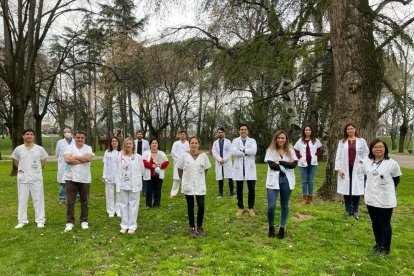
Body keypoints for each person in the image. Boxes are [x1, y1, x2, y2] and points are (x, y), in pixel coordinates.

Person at [359, 139, 402, 256]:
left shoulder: (392, 164)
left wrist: (386, 189)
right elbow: (365, 175)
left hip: (385, 198)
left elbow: (396, 179)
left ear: (385, 149)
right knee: (375, 222)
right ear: (371, 149)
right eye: (375, 147)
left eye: (380, 147)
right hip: (371, 198)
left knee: (385, 223)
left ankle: (385, 247)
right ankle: (378, 244)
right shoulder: (367, 162)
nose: (378, 149)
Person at [11, 129, 48, 229]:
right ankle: (22, 220)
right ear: (23, 136)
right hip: (23, 179)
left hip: (36, 179)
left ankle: (40, 220)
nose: (29, 136)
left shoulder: (39, 149)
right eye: (27, 134)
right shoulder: (18, 149)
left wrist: (37, 170)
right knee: (22, 200)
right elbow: (16, 161)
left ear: (34, 136)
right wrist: (23, 170)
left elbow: (44, 160)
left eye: (31, 134)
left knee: (38, 199)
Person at [265, 130, 298, 239]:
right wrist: (285, 165)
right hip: (273, 181)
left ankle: (282, 228)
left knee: (284, 205)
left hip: (286, 181)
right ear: (275, 139)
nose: (280, 140)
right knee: (271, 206)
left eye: (283, 138)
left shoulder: (291, 150)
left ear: (286, 139)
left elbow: (294, 165)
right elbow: (272, 165)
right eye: (278, 138)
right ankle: (271, 227)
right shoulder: (270, 150)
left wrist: (281, 163)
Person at [177, 136, 211, 237]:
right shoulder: (184, 155)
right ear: (189, 144)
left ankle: (200, 226)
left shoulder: (203, 156)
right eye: (192, 143)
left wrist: (201, 178)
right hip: (188, 185)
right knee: (190, 207)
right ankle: (192, 227)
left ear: (198, 145)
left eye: (196, 143)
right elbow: (179, 168)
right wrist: (184, 180)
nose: (194, 145)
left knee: (201, 206)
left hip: (200, 185)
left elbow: (206, 169)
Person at [335, 123, 369, 220]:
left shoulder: (361, 141)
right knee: (346, 190)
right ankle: (348, 210)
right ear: (346, 131)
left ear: (355, 129)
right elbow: (338, 156)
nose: (350, 130)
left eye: (351, 128)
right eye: (348, 129)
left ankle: (355, 211)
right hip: (345, 169)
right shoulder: (342, 142)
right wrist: (339, 169)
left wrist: (362, 162)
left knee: (356, 190)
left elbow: (366, 153)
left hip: (357, 169)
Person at [63, 130, 94, 232]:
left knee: (84, 201)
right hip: (70, 178)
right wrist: (82, 159)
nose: (80, 139)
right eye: (78, 137)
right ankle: (70, 222)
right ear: (74, 138)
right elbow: (67, 159)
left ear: (84, 139)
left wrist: (74, 157)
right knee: (70, 202)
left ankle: (84, 221)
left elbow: (89, 158)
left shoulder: (88, 148)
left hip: (85, 178)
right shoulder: (69, 147)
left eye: (82, 138)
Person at [115, 138, 145, 234]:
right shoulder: (120, 156)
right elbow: (117, 170)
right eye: (126, 144)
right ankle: (124, 225)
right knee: (123, 205)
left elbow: (142, 170)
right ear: (124, 145)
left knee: (133, 205)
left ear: (133, 145)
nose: (128, 145)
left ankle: (132, 225)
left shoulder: (138, 157)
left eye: (130, 143)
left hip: (134, 185)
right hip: (123, 184)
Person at [232, 124, 257, 217]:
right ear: (239, 131)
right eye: (241, 129)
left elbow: (254, 151)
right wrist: (247, 152)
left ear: (248, 131)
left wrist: (242, 150)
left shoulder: (252, 141)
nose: (243, 131)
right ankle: (241, 207)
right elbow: (234, 152)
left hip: (250, 168)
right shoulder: (235, 141)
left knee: (251, 189)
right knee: (239, 189)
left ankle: (250, 208)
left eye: (245, 129)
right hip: (239, 168)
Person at [294, 124, 322, 204]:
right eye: (306, 130)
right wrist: (299, 157)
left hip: (313, 163)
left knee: (311, 181)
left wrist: (316, 156)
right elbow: (295, 150)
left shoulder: (316, 140)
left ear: (311, 131)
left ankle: (310, 198)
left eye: (309, 130)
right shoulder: (300, 140)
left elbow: (319, 149)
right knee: (304, 180)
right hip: (302, 164)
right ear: (304, 131)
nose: (307, 131)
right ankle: (304, 198)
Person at [142, 138, 169, 208]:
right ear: (150, 145)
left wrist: (161, 165)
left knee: (158, 190)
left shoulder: (161, 153)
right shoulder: (146, 153)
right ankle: (148, 204)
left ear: (158, 145)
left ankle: (156, 204)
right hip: (149, 175)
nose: (154, 144)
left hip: (158, 175)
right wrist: (152, 165)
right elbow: (144, 162)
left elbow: (167, 162)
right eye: (152, 143)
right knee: (149, 190)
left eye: (155, 143)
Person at [212, 127, 234, 198]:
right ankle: (220, 193)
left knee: (230, 177)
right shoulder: (215, 143)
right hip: (219, 162)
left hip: (226, 162)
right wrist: (219, 159)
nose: (220, 133)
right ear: (217, 133)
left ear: (224, 133)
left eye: (221, 132)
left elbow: (230, 152)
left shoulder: (228, 141)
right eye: (219, 132)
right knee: (220, 177)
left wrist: (224, 160)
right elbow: (214, 152)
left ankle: (232, 192)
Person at [102, 136, 122, 217]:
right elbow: (105, 164)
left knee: (119, 194)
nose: (114, 142)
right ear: (110, 143)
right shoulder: (107, 152)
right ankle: (111, 211)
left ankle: (118, 210)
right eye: (112, 141)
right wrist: (104, 175)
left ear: (118, 143)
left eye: (116, 141)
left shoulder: (121, 152)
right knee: (110, 194)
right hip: (109, 176)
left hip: (119, 176)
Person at [56, 127, 74, 205]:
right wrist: (61, 161)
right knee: (63, 183)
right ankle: (62, 198)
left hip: (73, 164)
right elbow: (57, 154)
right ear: (63, 133)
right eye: (65, 132)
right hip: (63, 165)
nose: (67, 133)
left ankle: (75, 197)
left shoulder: (75, 141)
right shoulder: (60, 142)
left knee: (74, 181)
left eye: (69, 132)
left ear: (71, 132)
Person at [169, 130, 189, 199]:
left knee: (186, 178)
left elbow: (189, 152)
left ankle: (186, 192)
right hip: (177, 163)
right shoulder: (176, 143)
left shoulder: (188, 143)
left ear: (186, 135)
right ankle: (173, 193)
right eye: (181, 134)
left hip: (186, 163)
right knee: (176, 178)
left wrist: (184, 160)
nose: (182, 135)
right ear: (179, 135)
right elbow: (173, 152)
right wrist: (180, 159)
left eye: (183, 134)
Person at [134, 130, 150, 194]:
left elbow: (148, 151)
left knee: (144, 175)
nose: (139, 135)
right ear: (136, 135)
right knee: (137, 174)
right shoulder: (134, 142)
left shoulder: (146, 142)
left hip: (143, 160)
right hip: (136, 159)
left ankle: (145, 190)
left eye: (140, 134)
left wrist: (147, 160)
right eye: (138, 134)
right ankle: (137, 189)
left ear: (142, 135)